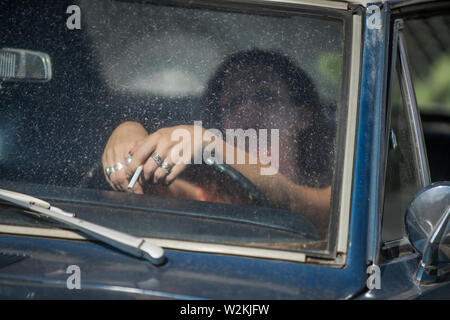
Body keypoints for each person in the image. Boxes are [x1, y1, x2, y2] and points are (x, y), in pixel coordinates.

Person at [102, 49, 334, 237]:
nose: (245, 109)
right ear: (223, 124)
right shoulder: (207, 194)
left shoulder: (336, 197)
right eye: (233, 103)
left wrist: (207, 141)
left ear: (304, 116)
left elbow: (290, 200)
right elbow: (151, 190)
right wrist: (129, 134)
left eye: (265, 96)